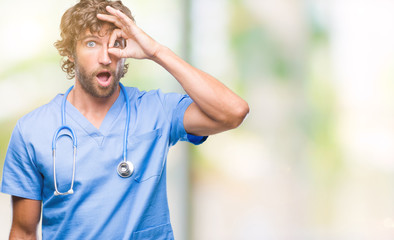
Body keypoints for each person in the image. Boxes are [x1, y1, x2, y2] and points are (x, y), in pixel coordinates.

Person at [0, 0, 249, 239]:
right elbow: (23, 233)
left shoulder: (157, 111)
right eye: (91, 43)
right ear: (70, 53)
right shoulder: (32, 131)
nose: (106, 57)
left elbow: (233, 111)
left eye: (116, 43)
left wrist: (156, 52)